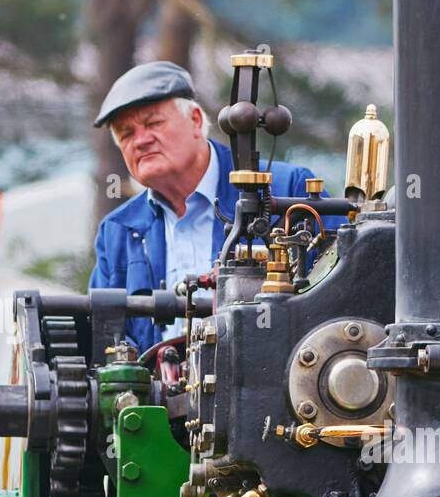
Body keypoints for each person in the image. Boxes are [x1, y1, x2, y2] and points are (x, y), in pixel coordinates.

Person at [90, 61, 336, 354]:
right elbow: (105, 338)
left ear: (195, 120)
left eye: (153, 123)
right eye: (126, 133)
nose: (140, 140)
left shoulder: (288, 190)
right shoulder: (117, 231)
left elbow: (340, 300)